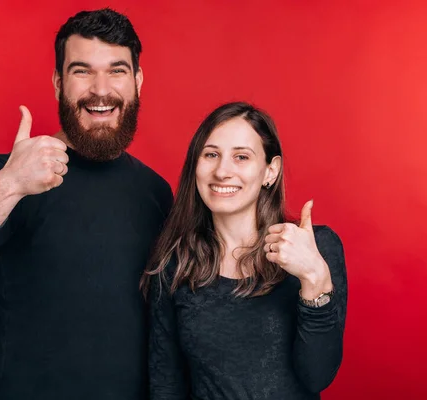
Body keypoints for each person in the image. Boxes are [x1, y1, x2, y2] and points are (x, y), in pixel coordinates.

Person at [0, 8, 173, 400]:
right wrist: (9, 186)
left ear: (137, 81)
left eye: (117, 70)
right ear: (59, 83)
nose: (101, 89)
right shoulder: (9, 175)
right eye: (82, 71)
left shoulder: (156, 192)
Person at [142, 102, 347, 399]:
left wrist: (315, 278)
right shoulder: (175, 263)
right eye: (211, 154)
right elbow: (166, 383)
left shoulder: (317, 247)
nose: (222, 171)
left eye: (241, 157)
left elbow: (317, 377)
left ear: (270, 171)